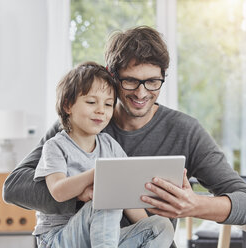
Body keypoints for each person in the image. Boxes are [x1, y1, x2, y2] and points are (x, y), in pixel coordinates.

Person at [3, 26, 246, 246]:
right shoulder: (79, 124)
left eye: (152, 82)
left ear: (162, 78)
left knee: (148, 219)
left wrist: (194, 205)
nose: (141, 93)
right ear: (112, 77)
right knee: (108, 200)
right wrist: (83, 192)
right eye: (130, 81)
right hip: (76, 238)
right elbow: (14, 188)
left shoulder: (185, 131)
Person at [32, 61, 174, 248]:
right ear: (68, 105)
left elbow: (126, 196)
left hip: (100, 239)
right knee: (106, 195)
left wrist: (145, 225)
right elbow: (58, 191)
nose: (101, 110)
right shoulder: (56, 146)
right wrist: (98, 175)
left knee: (161, 226)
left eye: (108, 105)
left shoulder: (110, 146)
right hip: (58, 239)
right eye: (91, 102)